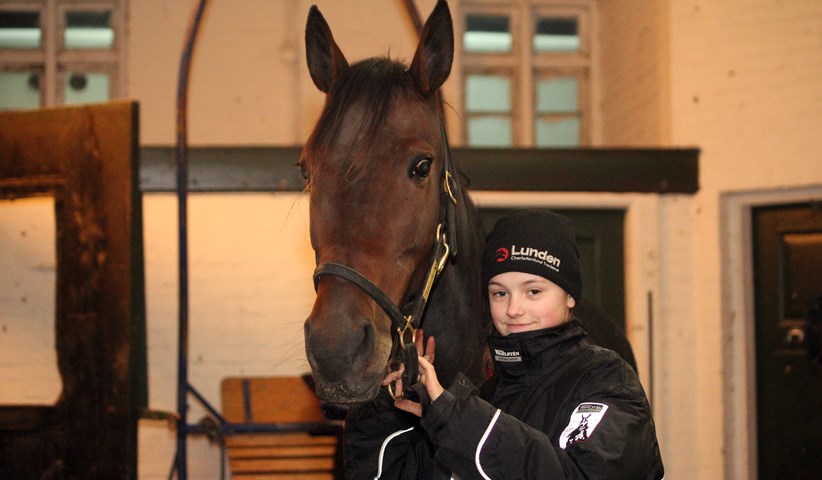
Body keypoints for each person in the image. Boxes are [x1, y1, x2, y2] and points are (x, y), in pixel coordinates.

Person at [345, 209, 664, 479]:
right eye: (500, 293)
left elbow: (580, 474)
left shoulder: (607, 380)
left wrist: (454, 417)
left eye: (533, 291)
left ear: (569, 296)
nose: (513, 309)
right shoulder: (479, 394)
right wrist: (384, 403)